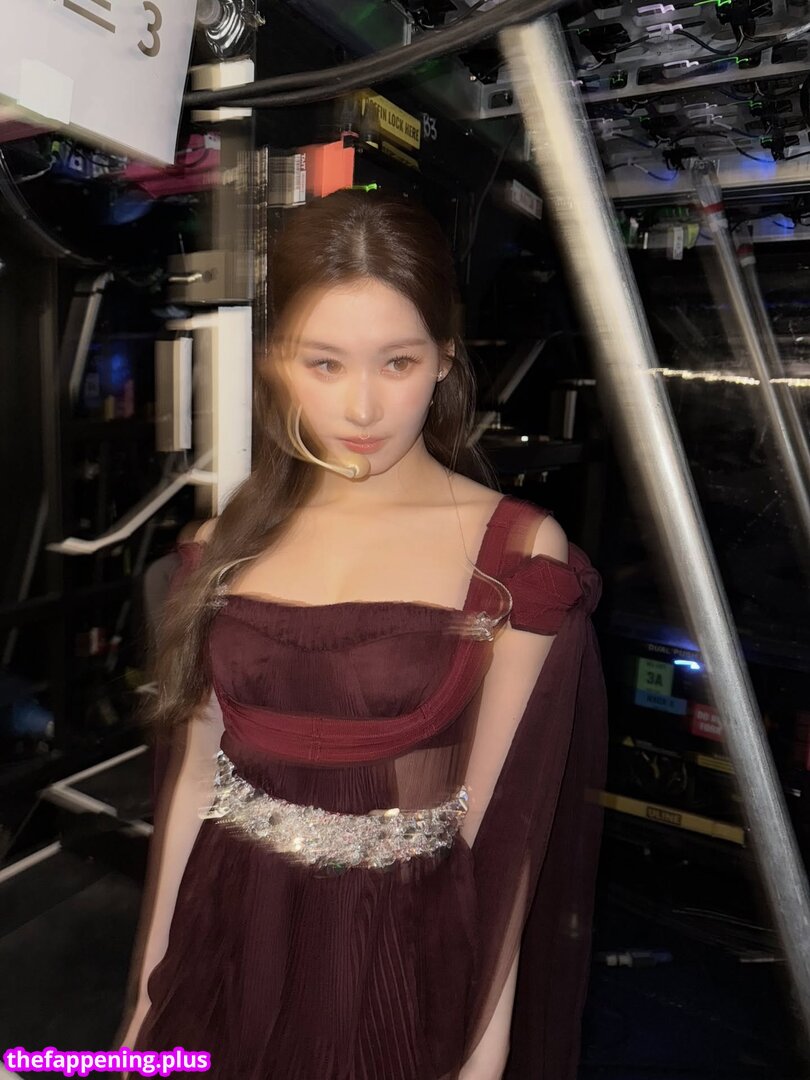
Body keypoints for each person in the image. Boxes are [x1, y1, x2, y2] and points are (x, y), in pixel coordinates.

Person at [115, 190, 608, 1080]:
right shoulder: (219, 547)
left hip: (395, 961)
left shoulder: (515, 555)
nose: (364, 406)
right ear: (277, 362)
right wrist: (144, 1013)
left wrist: (482, 1056)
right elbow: (191, 783)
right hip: (226, 939)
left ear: (445, 358)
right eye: (325, 363)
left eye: (398, 361)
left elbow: (506, 832)